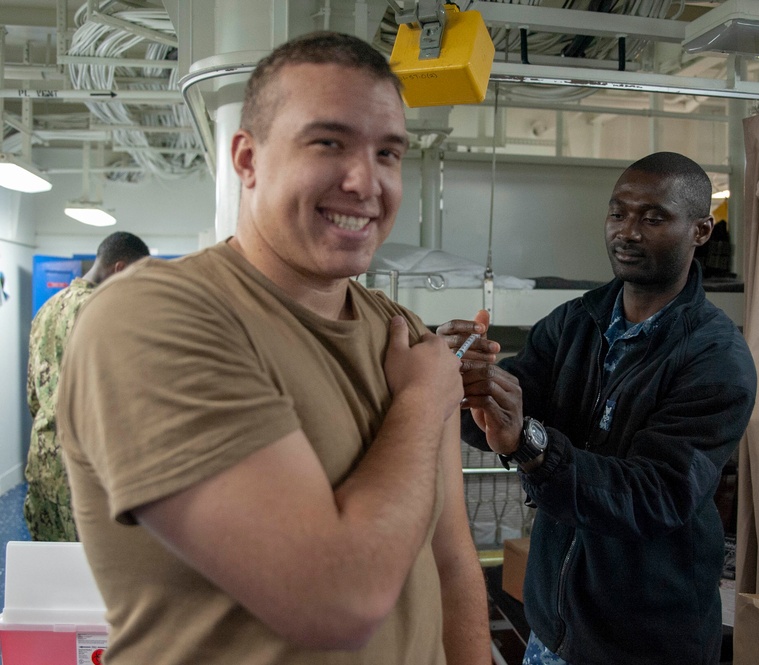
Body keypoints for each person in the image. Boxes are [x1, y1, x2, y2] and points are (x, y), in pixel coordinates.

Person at [56, 32, 490, 665]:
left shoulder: (401, 333)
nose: (366, 181)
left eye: (389, 153)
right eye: (329, 143)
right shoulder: (150, 318)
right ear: (247, 158)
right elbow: (334, 602)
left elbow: (450, 563)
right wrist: (424, 401)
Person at [438, 152, 758, 665]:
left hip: (643, 643)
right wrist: (454, 381)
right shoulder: (574, 323)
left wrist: (532, 445)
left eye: (652, 218)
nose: (627, 232)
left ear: (700, 231)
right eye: (618, 213)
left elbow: (657, 495)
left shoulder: (716, 359)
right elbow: (500, 418)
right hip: (552, 629)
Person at [25, 231, 150, 542]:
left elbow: (33, 394)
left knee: (50, 564)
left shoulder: (47, 309)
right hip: (87, 463)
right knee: (94, 566)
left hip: (44, 456)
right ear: (119, 269)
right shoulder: (106, 312)